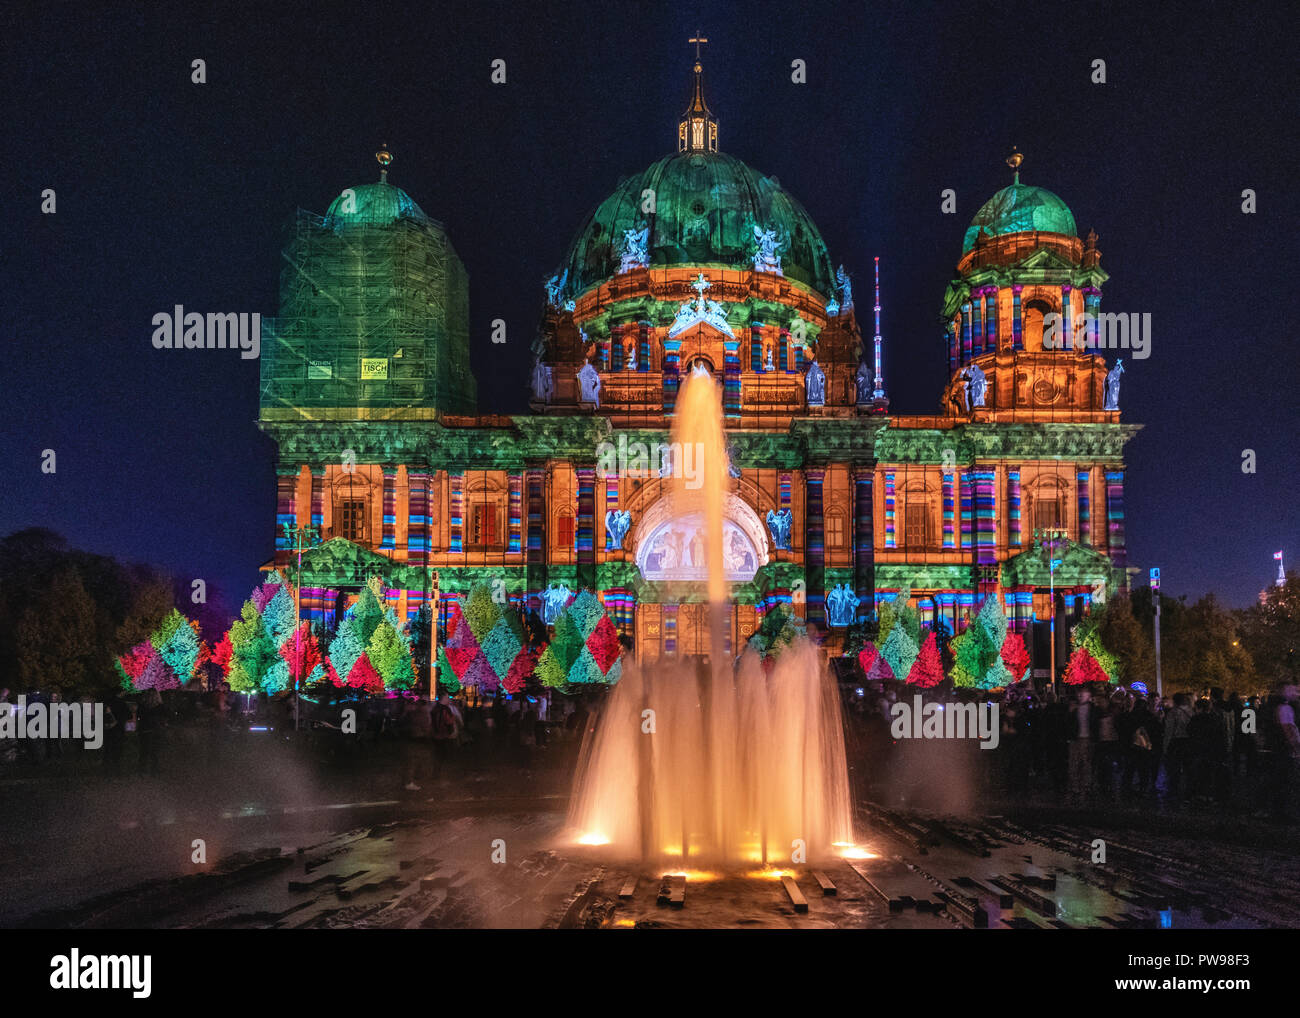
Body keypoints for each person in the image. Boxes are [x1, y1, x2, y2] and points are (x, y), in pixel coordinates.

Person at [1163, 693, 1193, 799]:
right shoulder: (1191, 711)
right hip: (1189, 742)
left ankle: (1174, 791)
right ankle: (1189, 791)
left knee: (1174, 768)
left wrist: (1165, 747)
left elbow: (1169, 731)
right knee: (1188, 768)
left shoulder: (1173, 712)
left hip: (1176, 742)